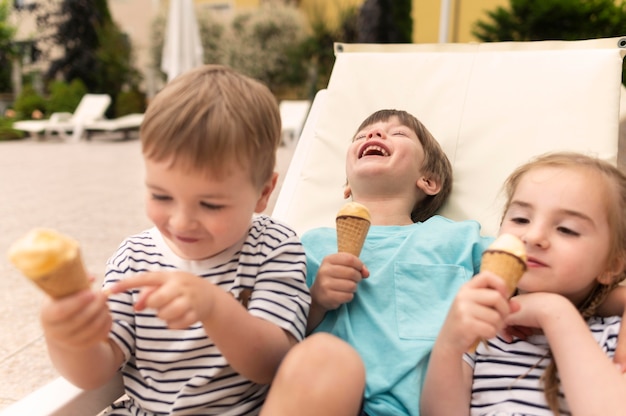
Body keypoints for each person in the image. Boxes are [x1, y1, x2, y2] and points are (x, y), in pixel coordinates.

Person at [39, 65, 311, 415]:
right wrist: (64, 337)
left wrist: (213, 307)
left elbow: (272, 363)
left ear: (263, 193)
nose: (181, 221)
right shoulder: (133, 258)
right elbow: (96, 372)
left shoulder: (274, 247)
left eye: (211, 204)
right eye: (161, 196)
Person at [261, 108, 494, 416]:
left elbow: (517, 278)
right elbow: (276, 341)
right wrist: (316, 300)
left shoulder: (458, 238)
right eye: (362, 135)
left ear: (429, 180)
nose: (373, 134)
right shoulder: (308, 245)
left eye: (398, 133)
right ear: (346, 186)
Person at [421, 152, 626, 416]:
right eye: (520, 219)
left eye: (566, 229)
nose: (533, 235)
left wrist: (553, 311)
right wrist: (449, 343)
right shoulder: (483, 331)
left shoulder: (614, 335)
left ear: (611, 266)